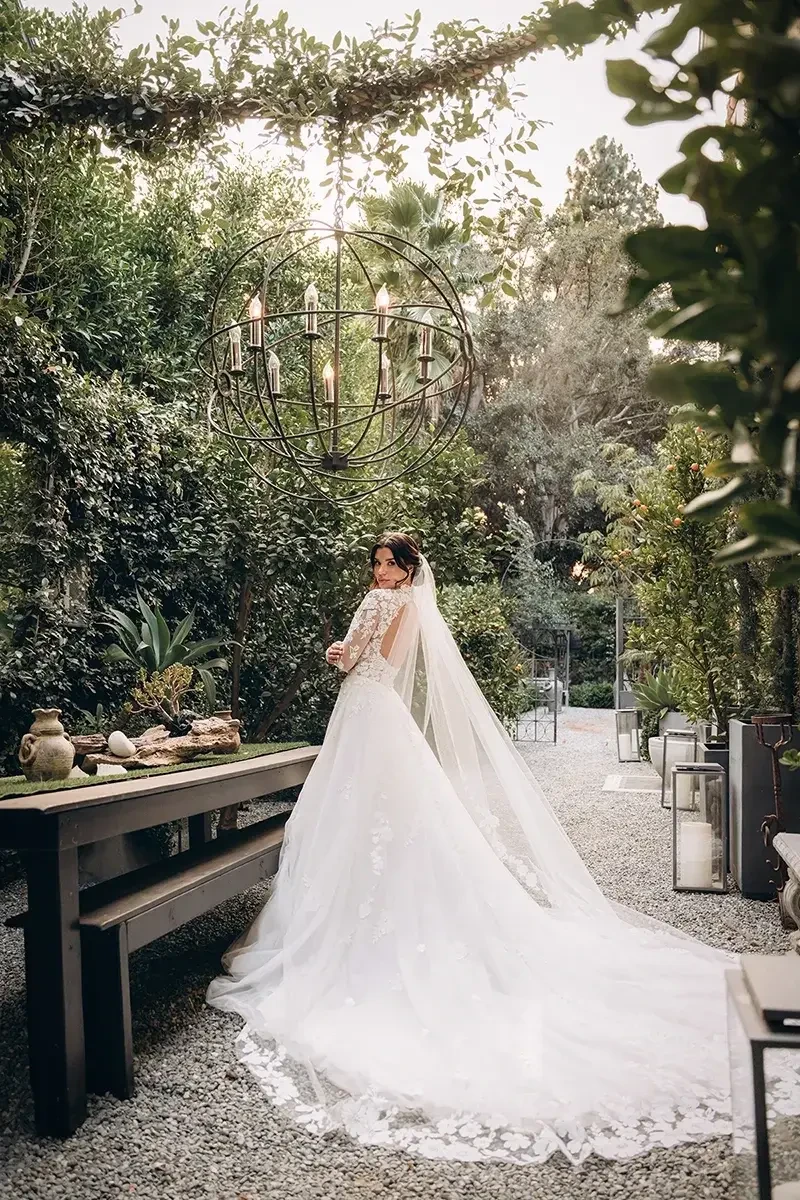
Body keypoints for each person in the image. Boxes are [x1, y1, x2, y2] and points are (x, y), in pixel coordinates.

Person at [206, 532, 784, 1164]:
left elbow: (370, 664)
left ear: (405, 571)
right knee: (379, 812)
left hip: (366, 707)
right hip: (376, 712)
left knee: (366, 811)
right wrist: (355, 653)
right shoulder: (404, 606)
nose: (379, 571)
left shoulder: (386, 604)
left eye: (387, 563)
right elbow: (389, 666)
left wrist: (341, 652)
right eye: (377, 563)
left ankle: (351, 918)